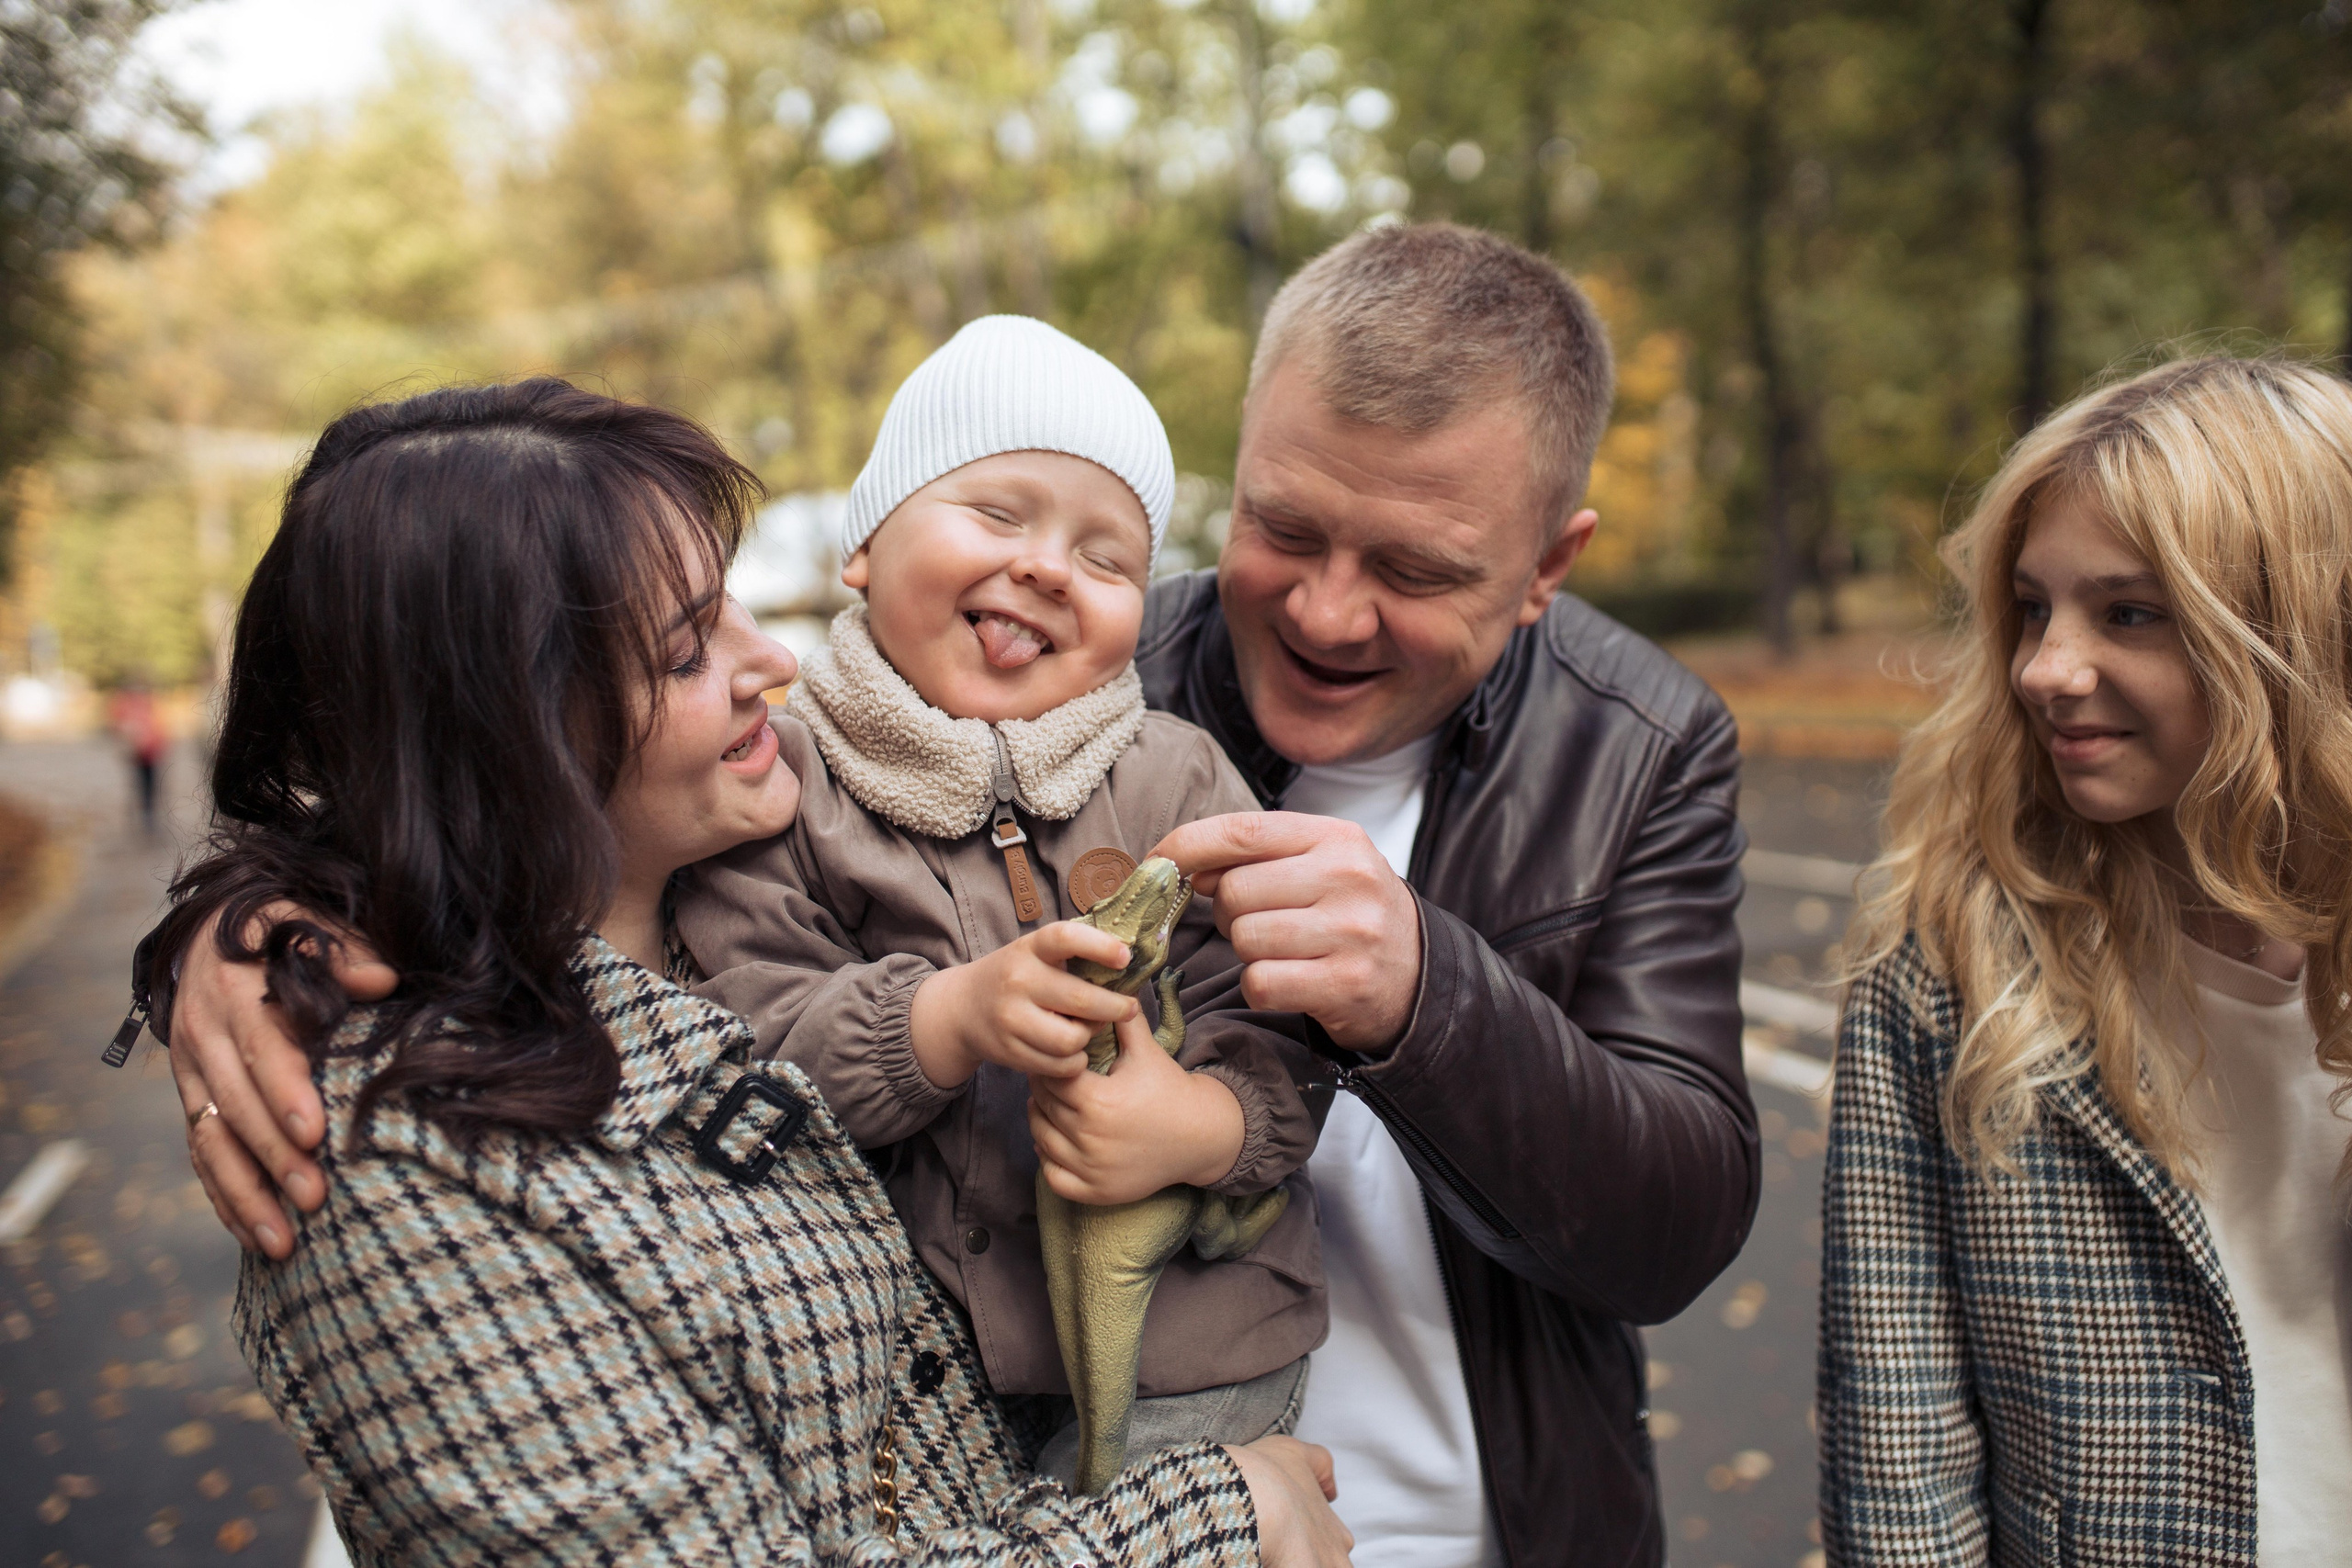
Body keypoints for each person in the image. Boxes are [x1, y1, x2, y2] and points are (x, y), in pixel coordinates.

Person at [164, 223, 1758, 1566]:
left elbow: (1677, 1215)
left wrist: (1428, 996)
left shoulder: (1641, 748)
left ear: (1551, 563)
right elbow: (481, 761)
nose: (1327, 611)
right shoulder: (1039, 651)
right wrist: (254, 926)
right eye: (1282, 530)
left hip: (1446, 1512)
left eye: (1414, 570)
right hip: (1031, 1490)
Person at [134, 378, 1351, 1567]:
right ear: (508, 731)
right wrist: (1221, 1518)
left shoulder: (744, 896)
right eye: (683, 651)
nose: (774, 658)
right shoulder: (406, 1170)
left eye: (730, 606)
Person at [679, 315, 1324, 1481]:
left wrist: (1206, 1125)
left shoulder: (1175, 777)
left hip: (1196, 1352)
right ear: (863, 546)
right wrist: (945, 1023)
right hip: (906, 1382)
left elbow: (1287, 1022)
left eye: (1107, 556)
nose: (1044, 565)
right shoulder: (783, 783)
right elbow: (740, 1041)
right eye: (996, 513)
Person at [1818, 356, 2352, 1564]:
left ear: (2293, 633)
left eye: (2128, 611)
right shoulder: (1949, 965)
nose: (2045, 668)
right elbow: (1898, 1457)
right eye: (2033, 606)